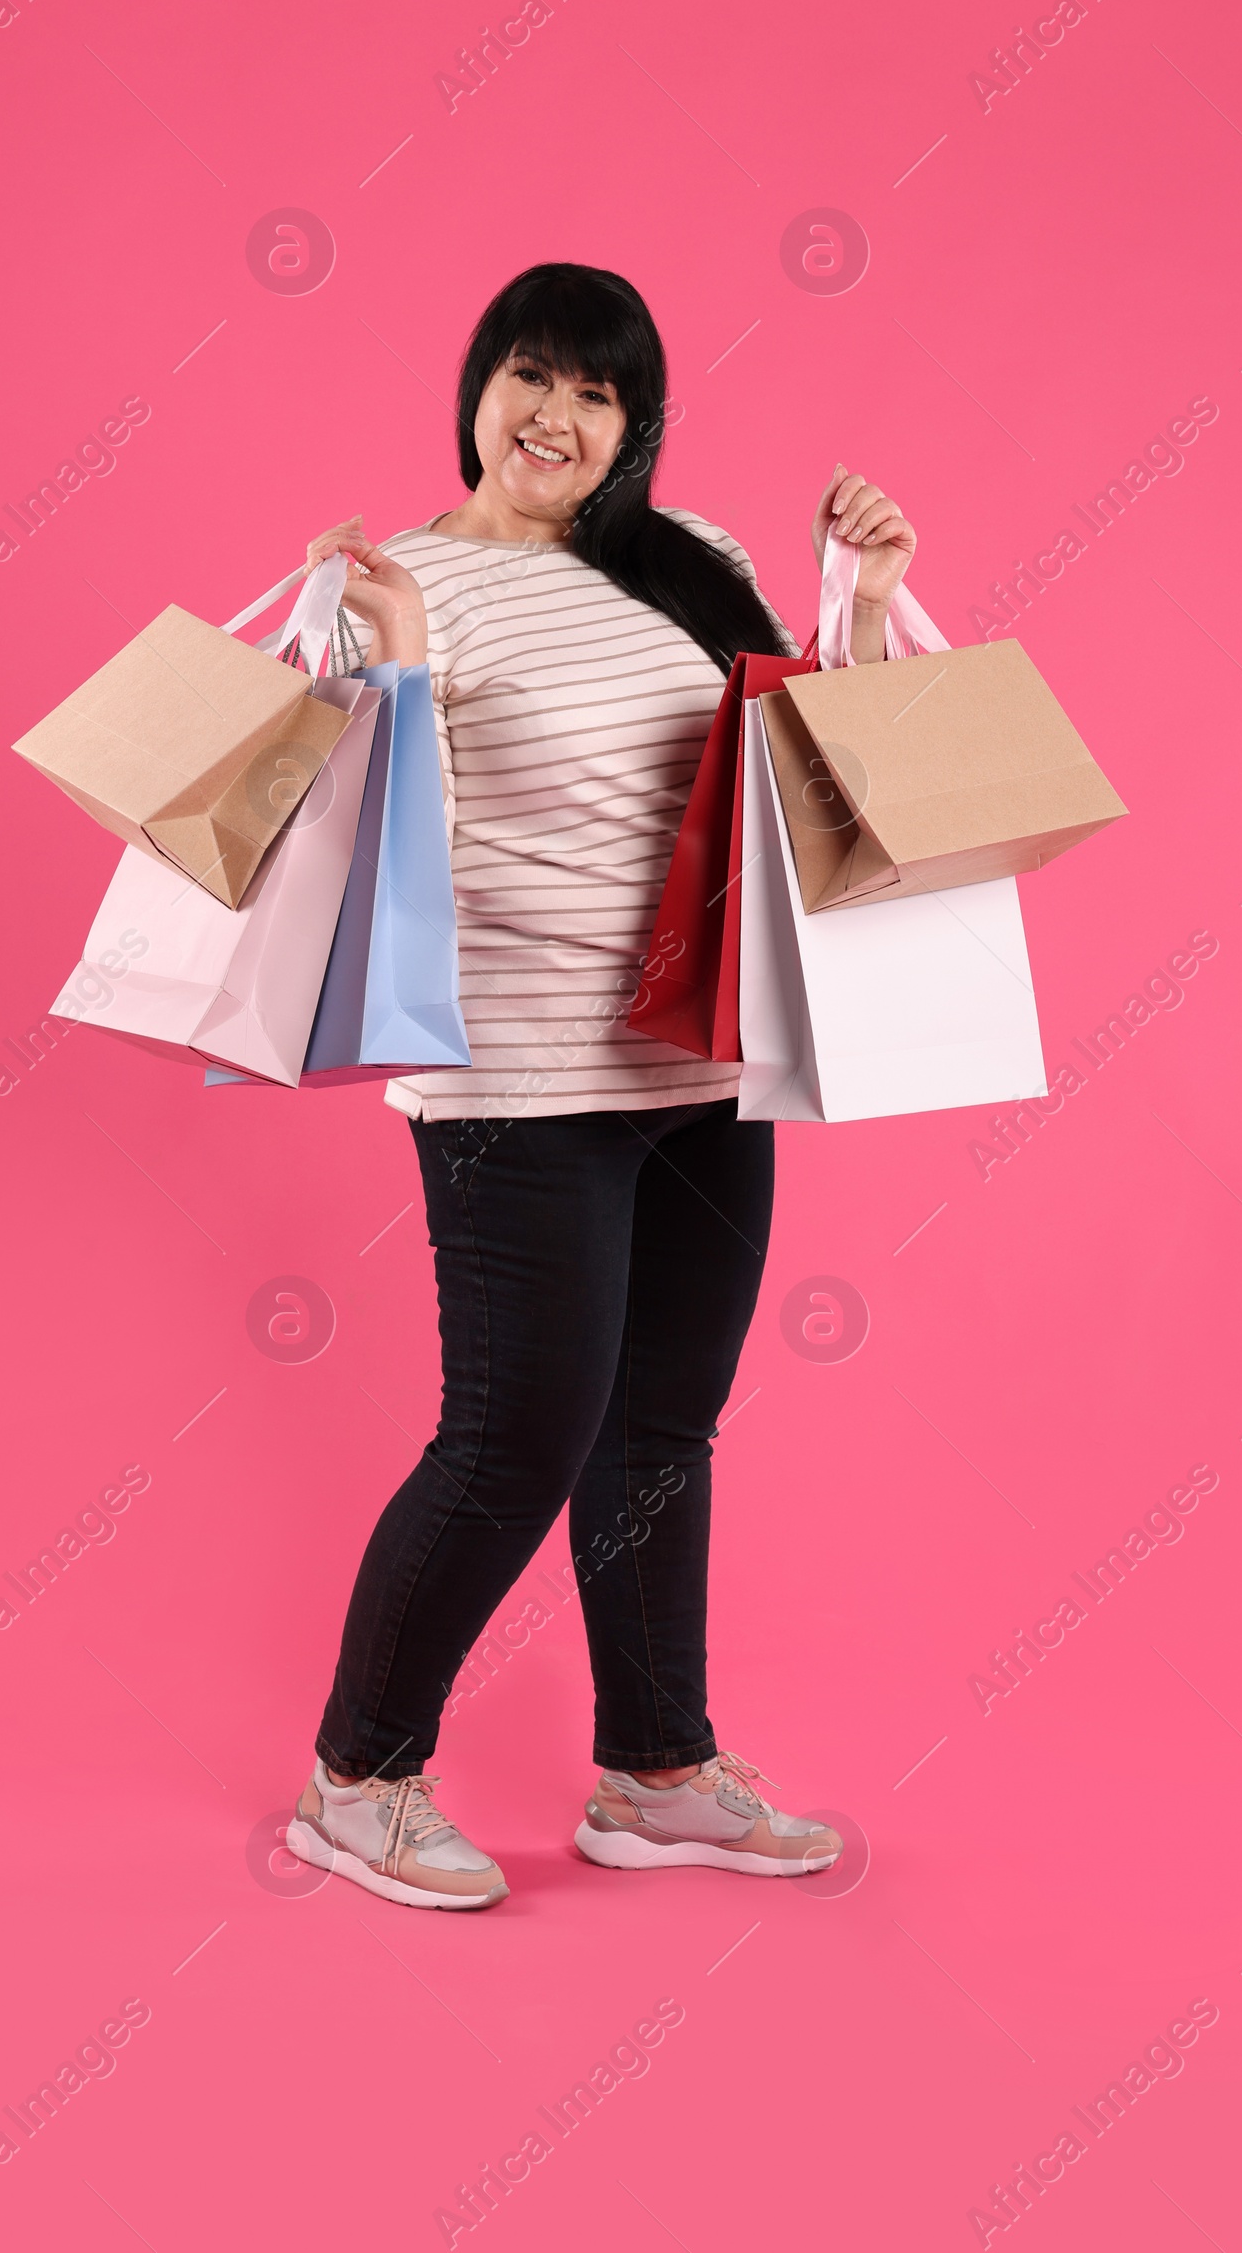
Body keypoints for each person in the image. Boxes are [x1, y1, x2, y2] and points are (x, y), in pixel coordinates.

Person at [293, 263, 917, 1909]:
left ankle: (654, 1774)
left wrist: (852, 604)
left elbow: (804, 787)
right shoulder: (391, 579)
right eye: (528, 376)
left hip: (701, 1067)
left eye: (597, 392)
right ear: (476, 388)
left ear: (635, 424)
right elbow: (365, 856)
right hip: (514, 1082)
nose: (554, 417)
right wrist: (405, 663)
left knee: (659, 1434)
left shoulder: (684, 559)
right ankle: (357, 1777)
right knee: (515, 1438)